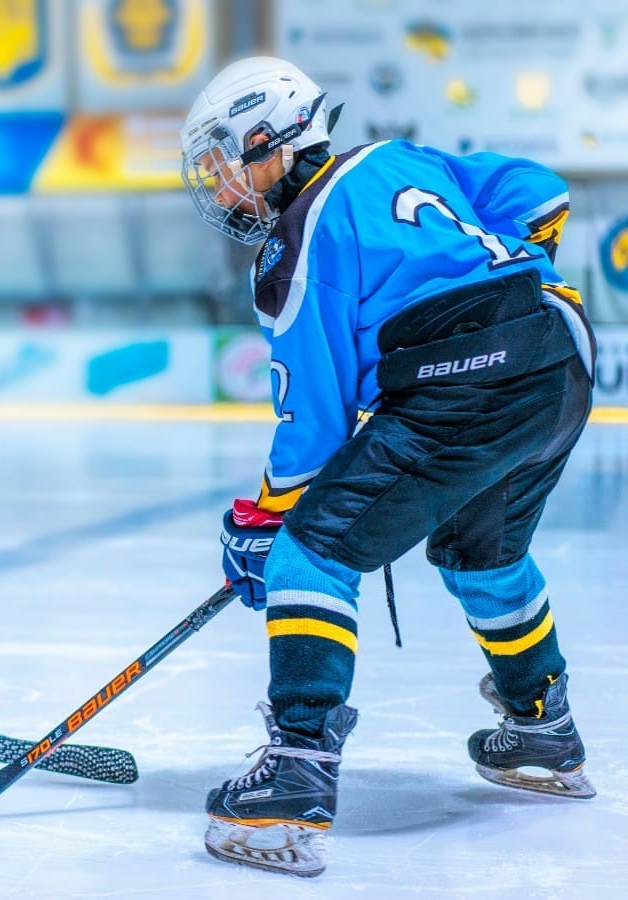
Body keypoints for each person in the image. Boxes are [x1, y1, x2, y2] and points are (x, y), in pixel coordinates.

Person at [179, 57, 597, 877]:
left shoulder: (296, 246)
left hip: (468, 377)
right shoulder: (402, 160)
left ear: (274, 142)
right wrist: (501, 278)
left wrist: (263, 523)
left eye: (227, 161)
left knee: (314, 548)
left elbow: (314, 431)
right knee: (486, 554)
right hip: (561, 353)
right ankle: (544, 730)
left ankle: (297, 770)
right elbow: (542, 193)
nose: (222, 186)